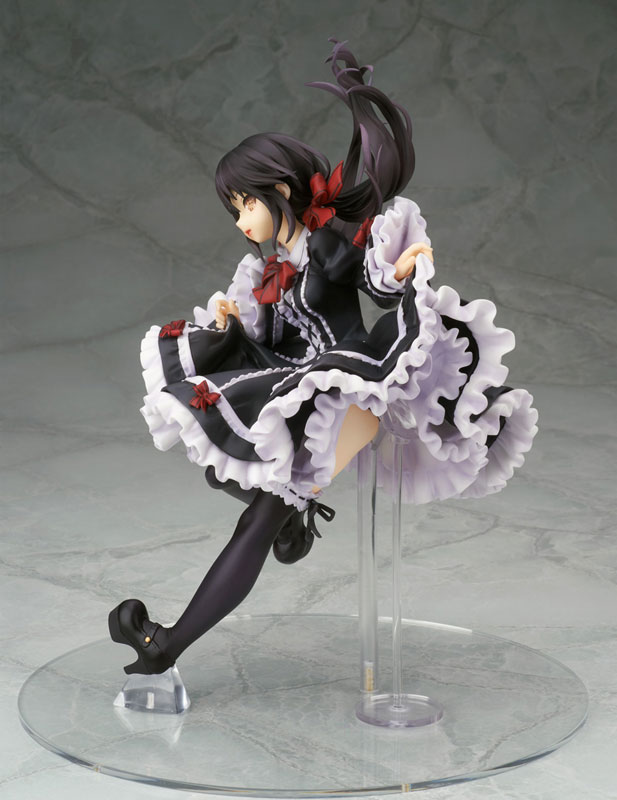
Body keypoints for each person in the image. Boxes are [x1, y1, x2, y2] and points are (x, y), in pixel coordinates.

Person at [108, 40, 538, 676]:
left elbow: (372, 280)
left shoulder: (326, 247)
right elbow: (272, 331)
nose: (240, 221)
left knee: (258, 517)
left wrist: (399, 269)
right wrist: (231, 321)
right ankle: (295, 523)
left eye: (246, 204)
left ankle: (167, 645)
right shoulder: (269, 269)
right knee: (222, 465)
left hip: (353, 387)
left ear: (279, 190)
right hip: (303, 382)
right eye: (233, 209)